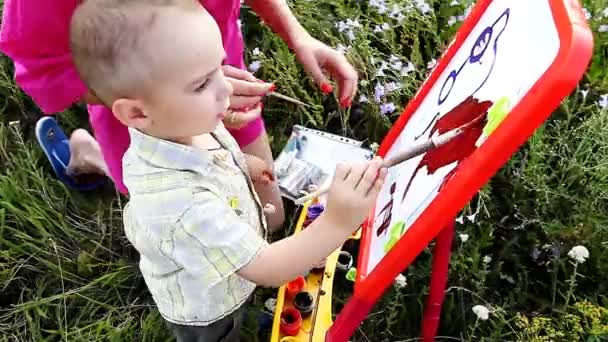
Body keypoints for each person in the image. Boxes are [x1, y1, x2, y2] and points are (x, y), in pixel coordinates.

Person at [69, 1, 385, 340]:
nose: (227, 87)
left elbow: (214, 155)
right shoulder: (181, 203)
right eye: (202, 83)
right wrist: (338, 221)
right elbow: (268, 267)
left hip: (226, 260)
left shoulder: (178, 122)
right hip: (209, 308)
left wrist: (244, 165)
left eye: (220, 67)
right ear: (137, 113)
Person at [0, 0, 358, 230]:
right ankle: (96, 156)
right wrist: (334, 228)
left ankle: (91, 152)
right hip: (144, 116)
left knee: (271, 217)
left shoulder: (219, 83)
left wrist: (296, 35)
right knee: (177, 220)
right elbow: (41, 69)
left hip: (221, 83)